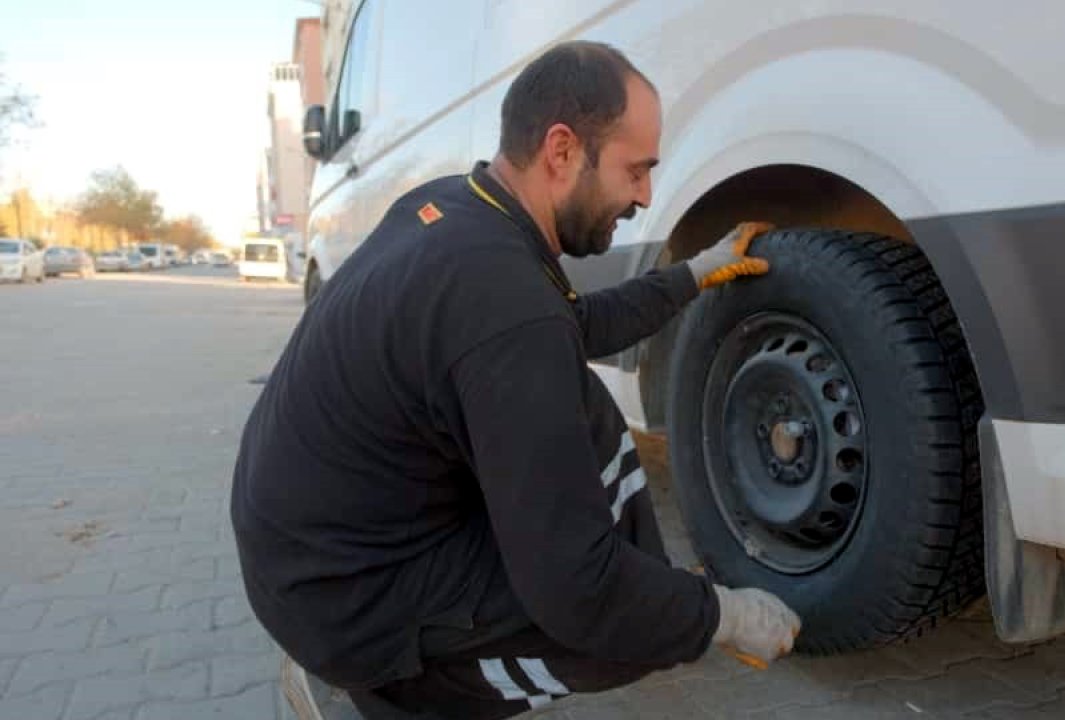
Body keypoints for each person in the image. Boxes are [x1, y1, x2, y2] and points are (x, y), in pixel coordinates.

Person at [230, 41, 801, 720]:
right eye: (636, 170)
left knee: (602, 539)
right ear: (562, 151)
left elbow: (568, 325)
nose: (645, 196)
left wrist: (692, 274)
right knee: (622, 628)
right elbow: (581, 591)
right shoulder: (506, 303)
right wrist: (718, 615)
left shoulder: (460, 208)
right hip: (343, 602)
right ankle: (375, 697)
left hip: (312, 553)